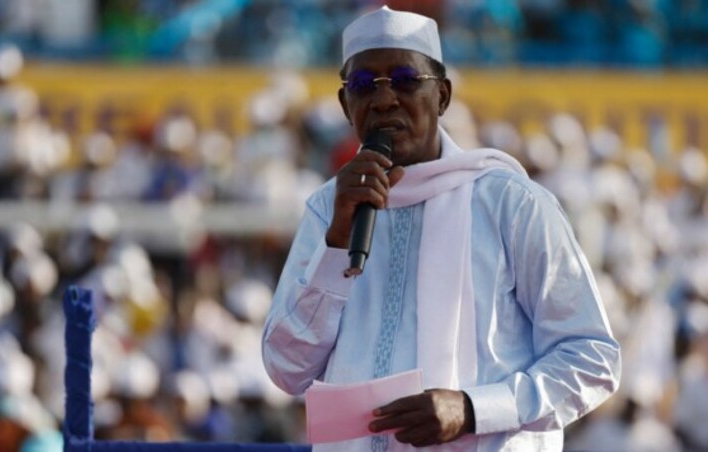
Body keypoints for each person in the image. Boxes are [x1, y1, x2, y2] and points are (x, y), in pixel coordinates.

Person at [262, 6, 620, 450]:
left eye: (406, 80)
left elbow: (592, 357)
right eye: (361, 85)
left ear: (443, 97)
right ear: (344, 104)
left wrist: (473, 408)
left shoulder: (509, 203)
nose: (384, 99)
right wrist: (335, 247)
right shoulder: (328, 210)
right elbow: (286, 368)